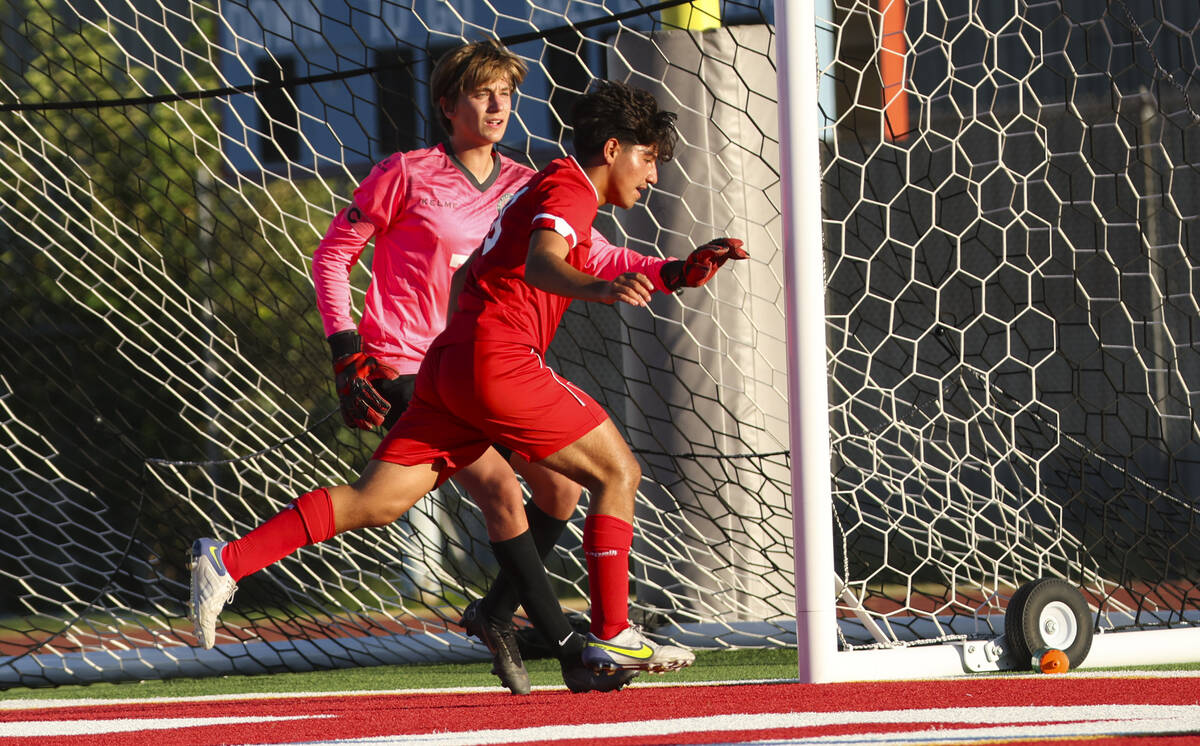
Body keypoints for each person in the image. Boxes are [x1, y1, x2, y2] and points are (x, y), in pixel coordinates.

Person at [189, 77, 747, 687]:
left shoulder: (551, 190)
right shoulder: (568, 187)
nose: (654, 177)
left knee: (377, 501)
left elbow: (600, 258)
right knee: (617, 472)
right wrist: (599, 290)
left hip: (448, 364)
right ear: (612, 150)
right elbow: (547, 263)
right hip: (497, 360)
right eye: (649, 159)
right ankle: (612, 635)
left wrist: (678, 271)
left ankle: (227, 561)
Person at [309, 39, 626, 695]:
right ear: (448, 104)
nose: (497, 104)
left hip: (490, 367)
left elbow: (589, 249)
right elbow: (332, 257)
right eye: (482, 92)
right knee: (498, 490)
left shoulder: (524, 183)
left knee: (562, 490)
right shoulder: (406, 171)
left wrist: (663, 269)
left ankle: (495, 613)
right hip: (409, 367)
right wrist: (346, 348)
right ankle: (571, 649)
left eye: (506, 92)